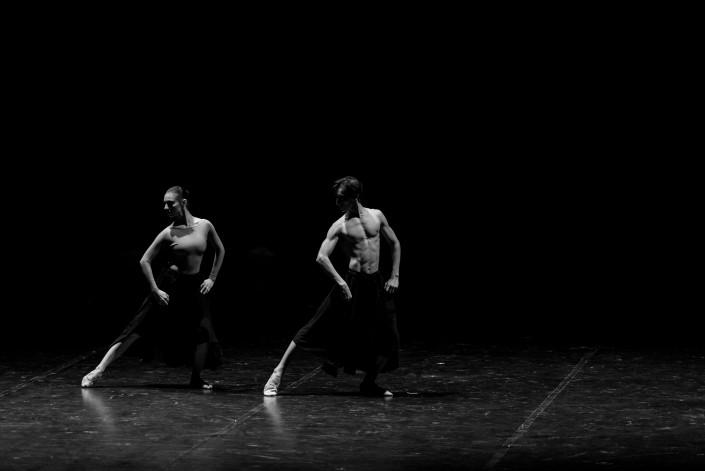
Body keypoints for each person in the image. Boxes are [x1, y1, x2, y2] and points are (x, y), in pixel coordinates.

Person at [263, 176, 401, 397]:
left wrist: (394, 276)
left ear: (355, 196)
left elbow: (394, 243)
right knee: (313, 327)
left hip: (375, 283)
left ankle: (369, 383)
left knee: (388, 336)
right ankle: (277, 373)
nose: (337, 203)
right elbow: (321, 257)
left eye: (341, 198)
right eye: (336, 198)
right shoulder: (340, 225)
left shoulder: (377, 216)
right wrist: (341, 282)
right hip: (352, 283)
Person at [81, 186, 225, 389]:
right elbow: (145, 260)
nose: (165, 207)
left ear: (183, 203)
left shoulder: (205, 225)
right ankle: (98, 370)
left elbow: (220, 250)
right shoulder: (168, 232)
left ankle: (196, 378)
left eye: (170, 203)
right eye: (164, 204)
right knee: (137, 327)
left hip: (194, 286)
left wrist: (212, 278)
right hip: (171, 284)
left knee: (204, 331)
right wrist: (155, 289)